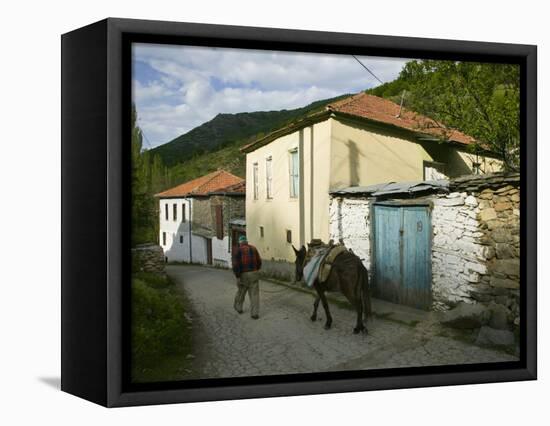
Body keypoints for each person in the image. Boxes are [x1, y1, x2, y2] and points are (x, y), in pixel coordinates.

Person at [232, 235, 262, 319]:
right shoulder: (253, 248)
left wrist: (238, 276)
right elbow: (259, 261)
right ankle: (254, 313)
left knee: (241, 291)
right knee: (254, 294)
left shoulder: (237, 250)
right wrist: (256, 270)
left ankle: (239, 308)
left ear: (240, 242)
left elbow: (235, 265)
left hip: (243, 274)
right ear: (246, 241)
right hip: (254, 273)